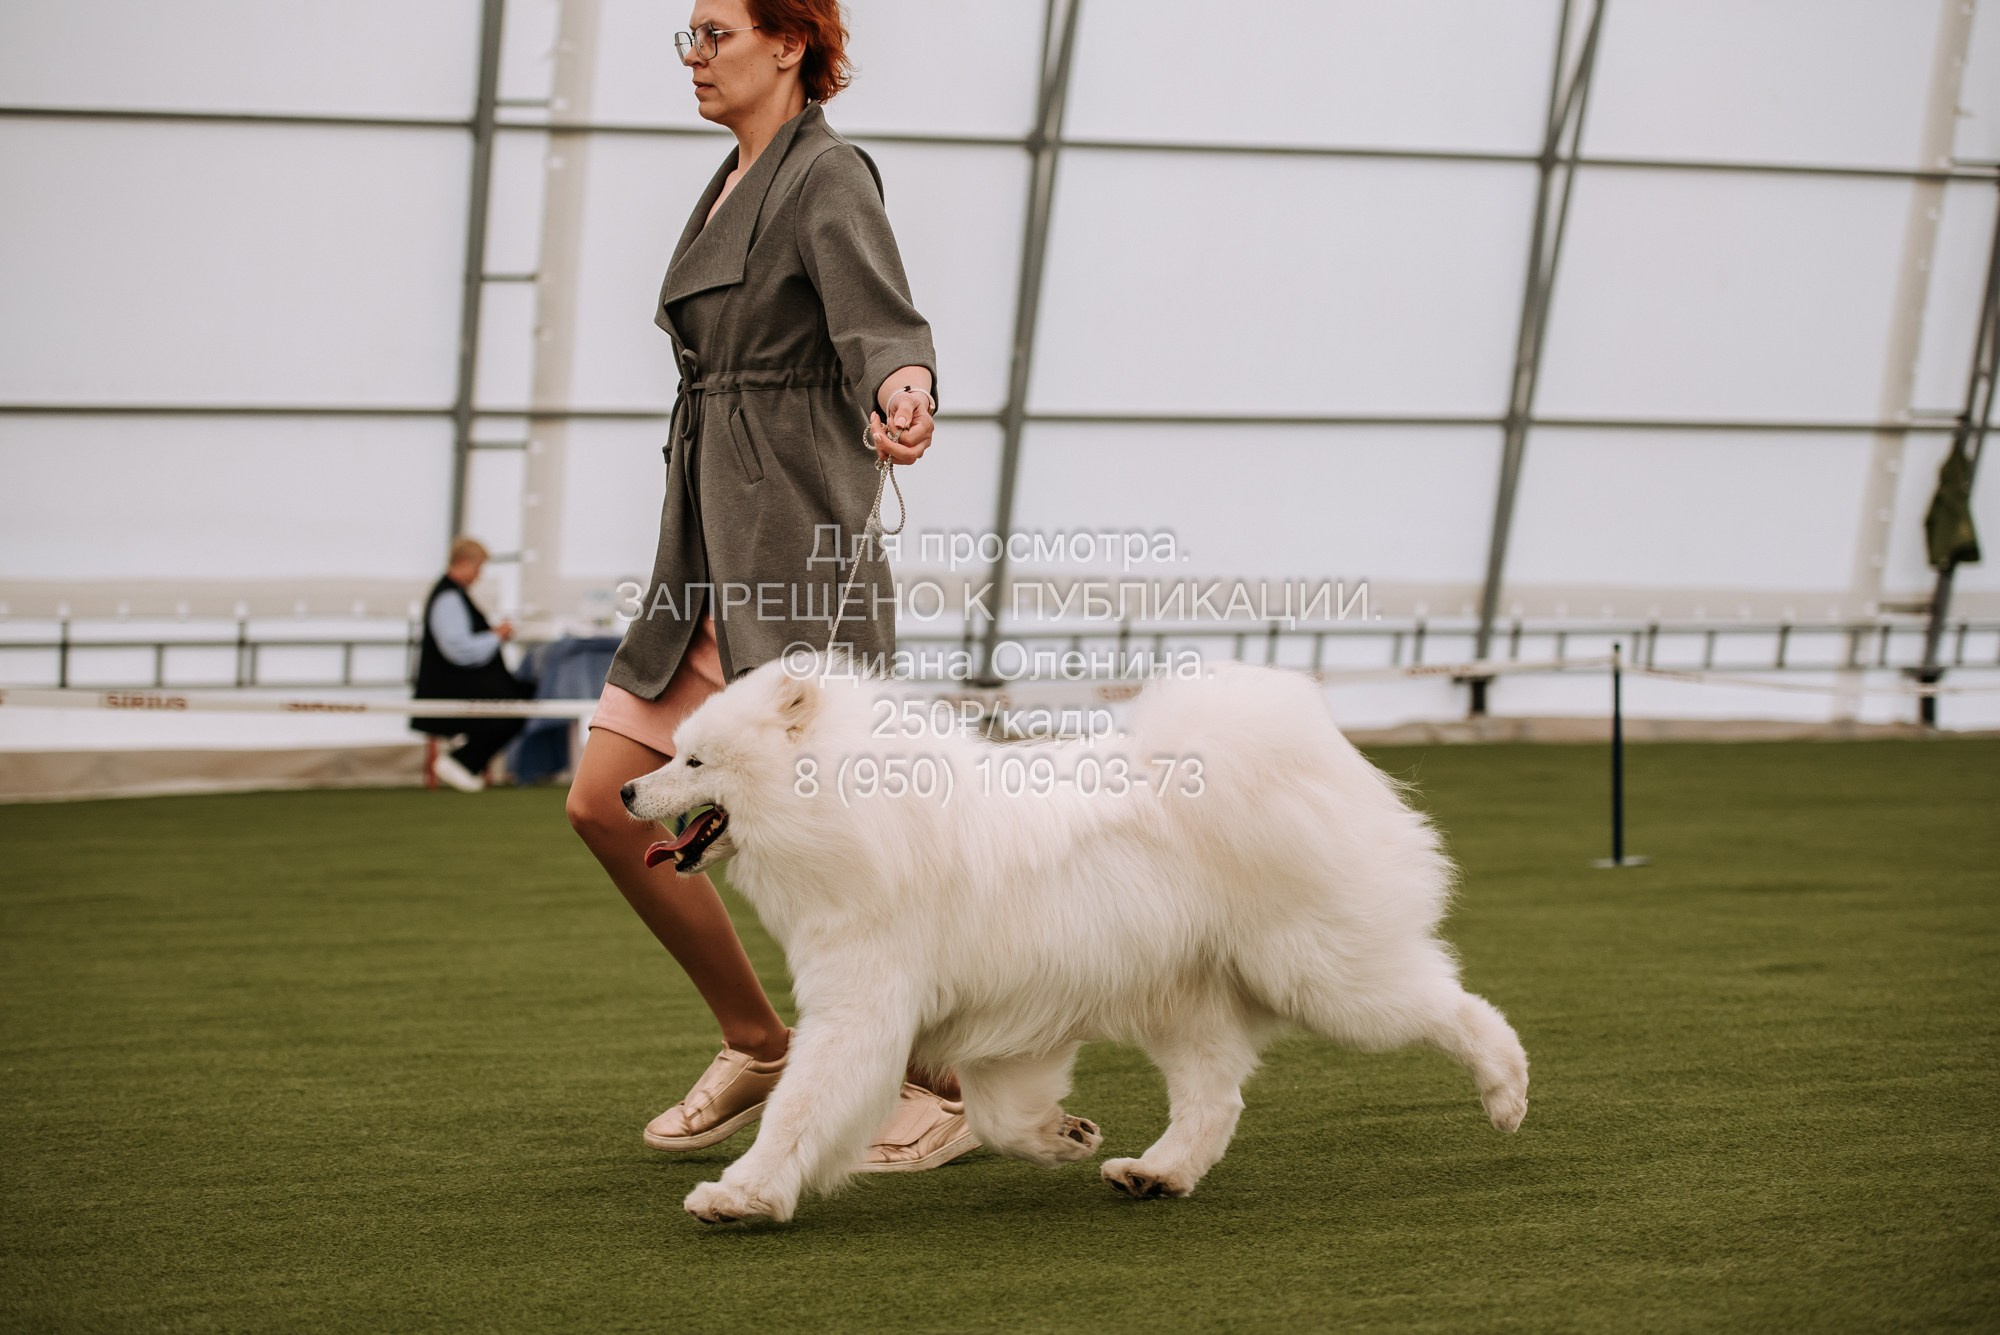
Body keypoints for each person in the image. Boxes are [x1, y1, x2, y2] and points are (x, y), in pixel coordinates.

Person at [564, 0, 979, 1172]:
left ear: (789, 43)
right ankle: (758, 1042)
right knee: (602, 800)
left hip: (792, 543)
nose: (694, 57)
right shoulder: (728, 179)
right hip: (696, 550)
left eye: (716, 34)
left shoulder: (828, 173)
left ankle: (944, 1078)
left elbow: (882, 325)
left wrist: (904, 390)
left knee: (850, 847)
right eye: (686, 37)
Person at [413, 536, 536, 793]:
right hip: (452, 686)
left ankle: (465, 760)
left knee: (521, 696)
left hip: (460, 681)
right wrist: (496, 636)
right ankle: (460, 762)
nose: (479, 575)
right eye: (478, 568)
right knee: (513, 706)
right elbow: (458, 649)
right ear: (463, 562)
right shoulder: (448, 598)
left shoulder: (453, 595)